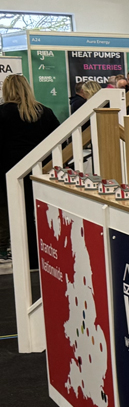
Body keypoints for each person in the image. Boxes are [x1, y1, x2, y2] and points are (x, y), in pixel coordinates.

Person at [0, 74, 60, 268]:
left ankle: (13, 253)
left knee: (11, 214)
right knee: (36, 214)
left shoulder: (2, 112)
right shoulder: (45, 112)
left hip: (7, 173)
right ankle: (37, 256)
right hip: (38, 172)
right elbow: (59, 142)